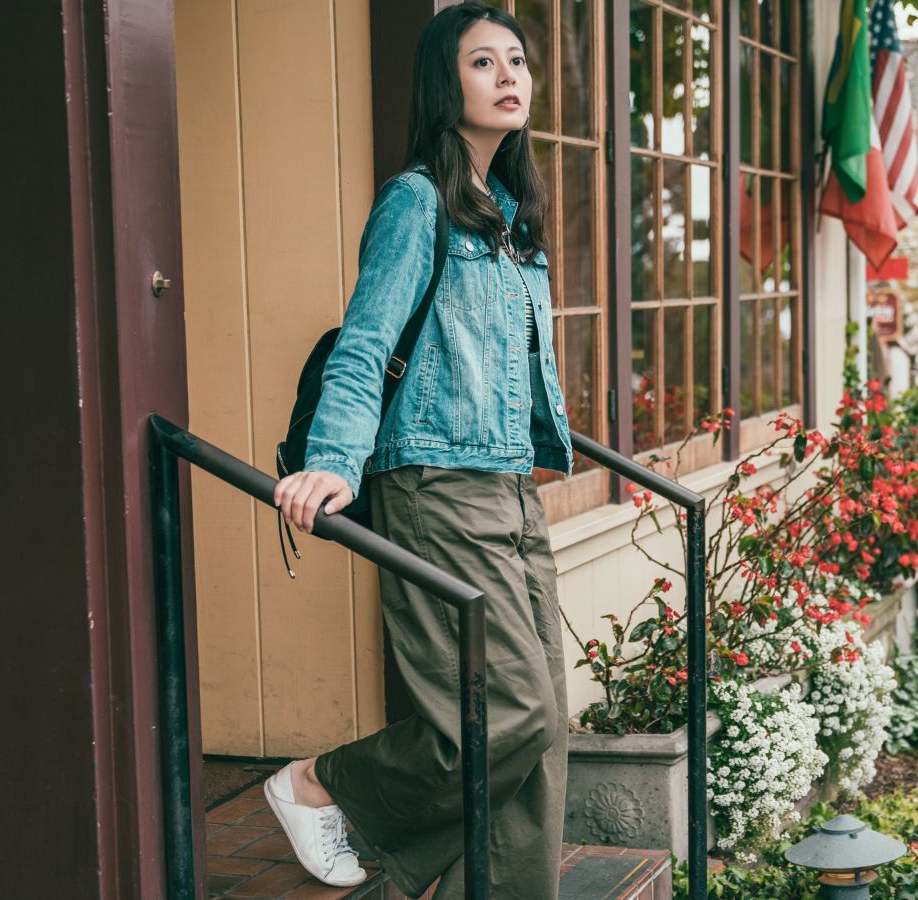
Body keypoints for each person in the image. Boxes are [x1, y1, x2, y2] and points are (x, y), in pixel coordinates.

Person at [267, 5, 573, 896]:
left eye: (517, 59)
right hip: (436, 486)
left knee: (542, 729)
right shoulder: (416, 201)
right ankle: (320, 782)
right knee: (507, 714)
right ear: (447, 83)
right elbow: (366, 342)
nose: (509, 76)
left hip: (509, 486)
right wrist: (333, 459)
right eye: (484, 62)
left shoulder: (510, 219)